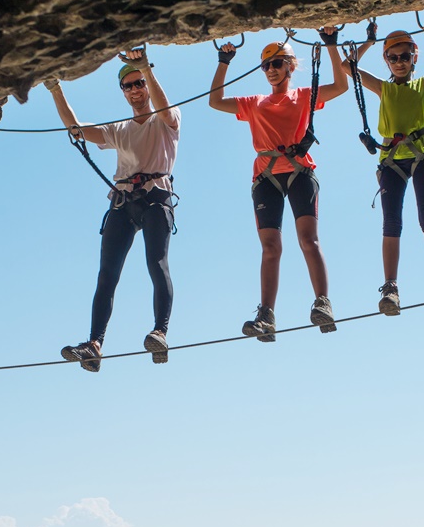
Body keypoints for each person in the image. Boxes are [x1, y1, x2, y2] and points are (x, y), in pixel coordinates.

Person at [209, 29, 349, 342]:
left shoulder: (303, 96)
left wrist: (330, 45)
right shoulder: (254, 103)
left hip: (299, 171)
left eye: (277, 63)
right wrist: (224, 61)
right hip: (266, 176)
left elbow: (341, 85)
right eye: (266, 66)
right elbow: (215, 101)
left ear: (289, 66)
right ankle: (266, 315)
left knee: (307, 240)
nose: (271, 70)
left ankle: (322, 302)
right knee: (271, 248)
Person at [47, 48, 179, 371]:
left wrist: (145, 68)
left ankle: (160, 331)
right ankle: (94, 345)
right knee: (107, 275)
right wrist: (54, 88)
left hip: (156, 197)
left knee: (156, 263)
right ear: (123, 92)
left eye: (139, 84)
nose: (136, 90)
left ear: (147, 84)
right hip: (123, 202)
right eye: (129, 86)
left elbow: (164, 109)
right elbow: (76, 128)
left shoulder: (167, 117)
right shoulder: (118, 129)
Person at [344, 23, 424, 315]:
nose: (399, 62)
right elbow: (346, 67)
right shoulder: (383, 88)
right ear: (386, 60)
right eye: (393, 58)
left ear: (414, 57)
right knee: (391, 221)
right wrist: (369, 42)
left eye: (405, 56)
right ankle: (390, 287)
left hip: (422, 154)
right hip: (391, 159)